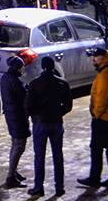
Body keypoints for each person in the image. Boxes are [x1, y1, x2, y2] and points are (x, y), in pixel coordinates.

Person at [25, 55, 72, 196]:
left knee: (39, 156)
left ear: (43, 67)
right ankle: (60, 187)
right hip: (57, 122)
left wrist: (34, 116)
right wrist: (58, 113)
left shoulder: (35, 83)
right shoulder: (63, 83)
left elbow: (28, 105)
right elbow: (68, 106)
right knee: (58, 155)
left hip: (40, 123)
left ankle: (39, 187)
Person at [78, 46, 108, 189]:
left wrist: (96, 114)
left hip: (106, 118)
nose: (93, 60)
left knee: (97, 149)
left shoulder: (105, 73)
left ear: (102, 58)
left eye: (95, 57)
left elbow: (101, 98)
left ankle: (96, 178)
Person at [0, 55, 30, 188]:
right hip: (17, 117)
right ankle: (10, 177)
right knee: (19, 146)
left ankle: (14, 171)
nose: (23, 69)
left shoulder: (5, 78)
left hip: (11, 116)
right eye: (22, 66)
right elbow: (24, 98)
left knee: (15, 145)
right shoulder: (15, 82)